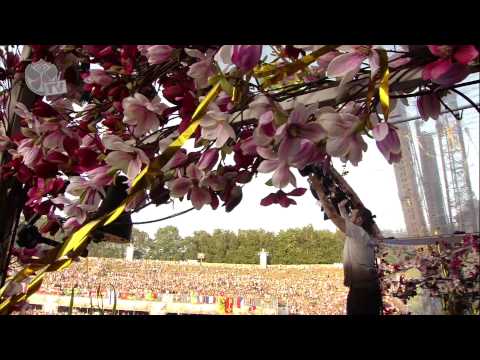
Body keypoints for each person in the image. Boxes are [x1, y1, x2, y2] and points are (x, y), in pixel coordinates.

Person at [337, 199, 383, 315]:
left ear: (359, 220)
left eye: (352, 214)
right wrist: (342, 208)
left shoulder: (357, 232)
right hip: (368, 289)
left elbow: (336, 218)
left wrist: (321, 194)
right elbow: (347, 219)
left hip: (361, 292)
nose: (349, 216)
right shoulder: (363, 234)